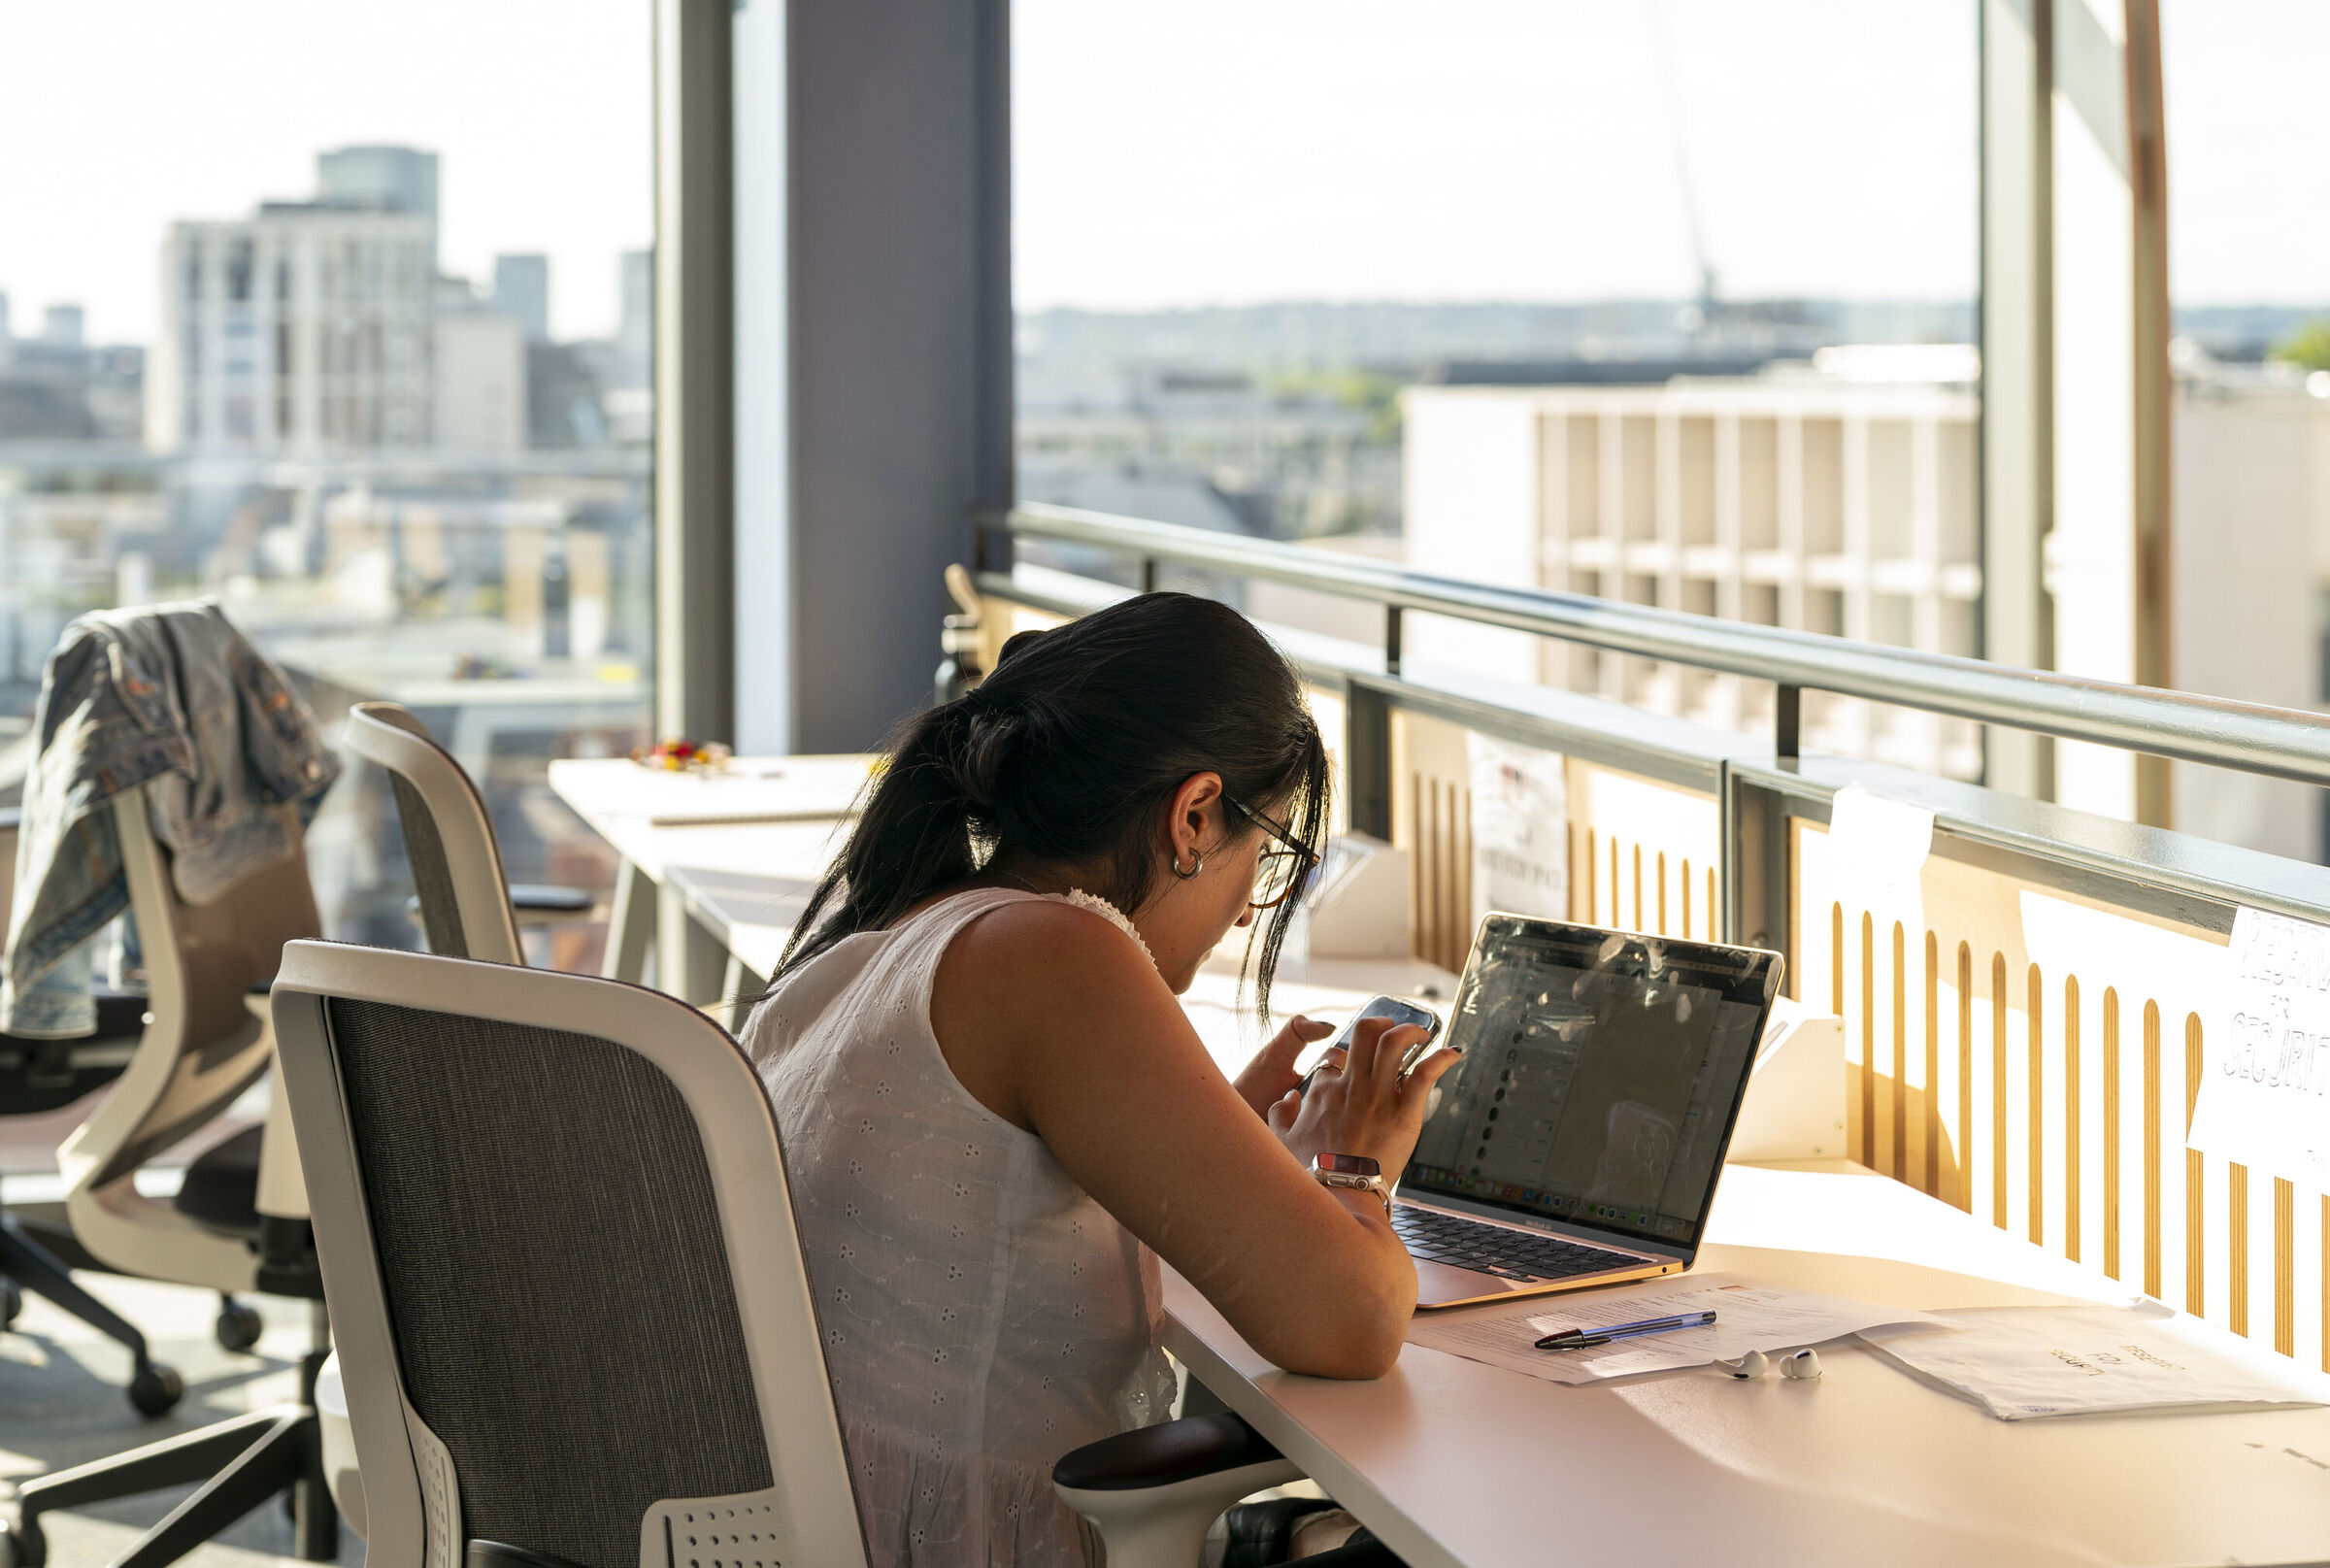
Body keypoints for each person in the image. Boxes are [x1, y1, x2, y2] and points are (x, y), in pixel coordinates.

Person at [743, 592, 1459, 1568]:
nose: (1251, 905)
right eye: (1270, 850)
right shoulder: (1058, 953)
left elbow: (983, 1220)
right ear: (1196, 814)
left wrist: (1233, 1139)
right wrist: (1351, 1167)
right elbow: (1352, 1322)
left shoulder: (913, 930)